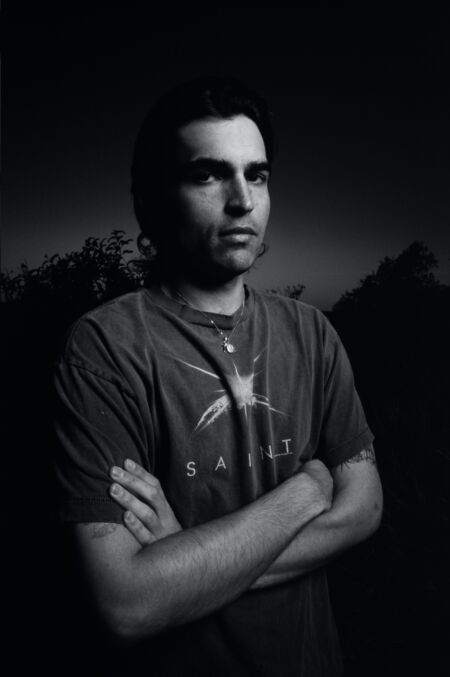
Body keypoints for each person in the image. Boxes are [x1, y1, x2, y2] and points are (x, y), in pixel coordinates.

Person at [54, 77, 382, 677]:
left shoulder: (312, 332)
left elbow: (364, 509)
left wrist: (186, 563)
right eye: (208, 175)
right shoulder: (105, 347)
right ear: (155, 198)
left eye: (256, 175)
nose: (242, 201)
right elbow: (127, 603)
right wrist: (307, 491)